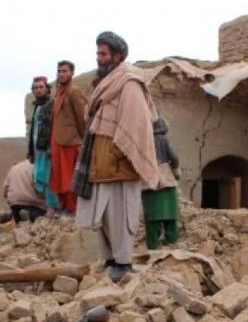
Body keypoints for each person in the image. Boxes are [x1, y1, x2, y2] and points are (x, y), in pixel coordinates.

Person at [73, 32, 159, 281]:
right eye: (98, 53)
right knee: (104, 215)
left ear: (117, 56)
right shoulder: (106, 83)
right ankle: (110, 259)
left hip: (120, 160)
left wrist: (119, 151)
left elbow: (135, 124)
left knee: (121, 215)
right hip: (101, 161)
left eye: (103, 54)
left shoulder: (129, 83)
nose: (98, 58)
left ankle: (124, 263)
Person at [49, 60, 87, 213]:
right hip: (57, 140)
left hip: (70, 141)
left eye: (64, 71)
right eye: (59, 71)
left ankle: (73, 207)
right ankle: (64, 206)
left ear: (72, 73)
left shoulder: (73, 92)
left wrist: (83, 139)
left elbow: (80, 118)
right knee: (59, 175)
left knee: (69, 175)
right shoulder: (59, 92)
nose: (61, 74)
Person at [142, 116, 181, 249]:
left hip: (148, 180)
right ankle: (172, 240)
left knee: (151, 216)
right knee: (170, 213)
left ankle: (153, 244)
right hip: (166, 179)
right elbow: (174, 158)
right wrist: (176, 171)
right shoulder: (163, 139)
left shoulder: (142, 140)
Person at [27, 76, 59, 212]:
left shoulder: (52, 105)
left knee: (48, 175)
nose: (38, 90)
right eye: (35, 88)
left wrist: (51, 147)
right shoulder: (37, 106)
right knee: (40, 175)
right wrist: (31, 151)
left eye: (41, 87)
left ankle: (54, 207)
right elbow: (33, 130)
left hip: (48, 148)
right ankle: (49, 206)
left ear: (47, 89)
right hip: (38, 149)